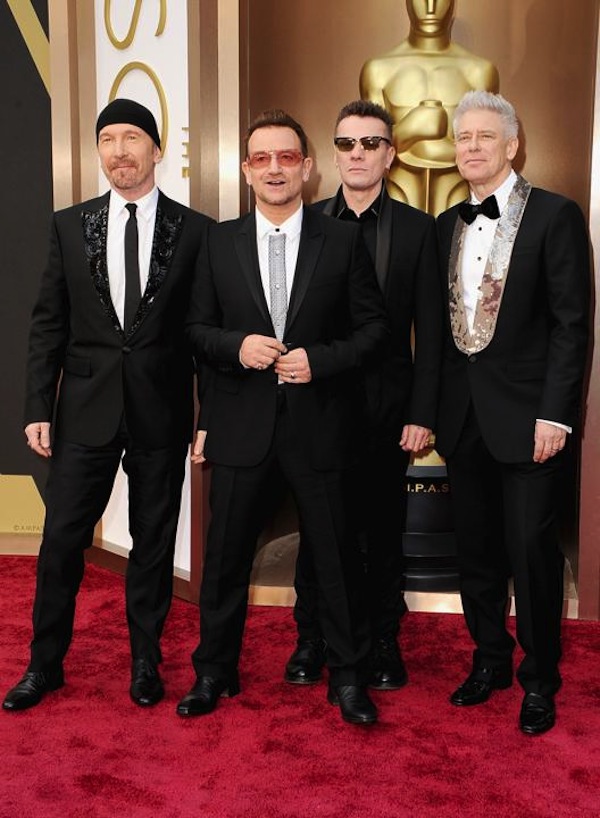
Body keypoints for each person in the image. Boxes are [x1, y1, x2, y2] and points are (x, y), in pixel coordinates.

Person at [178, 109, 388, 725]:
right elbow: (195, 329)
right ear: (246, 169)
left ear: (308, 167)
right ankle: (213, 671)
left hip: (322, 425)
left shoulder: (342, 241)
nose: (275, 168)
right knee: (225, 561)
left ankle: (347, 678)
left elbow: (374, 331)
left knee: (338, 560)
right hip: (241, 426)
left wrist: (319, 361)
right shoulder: (217, 242)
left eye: (287, 157)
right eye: (262, 158)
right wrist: (237, 347)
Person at [3, 99, 212, 712]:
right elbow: (48, 324)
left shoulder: (196, 230)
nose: (119, 151)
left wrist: (208, 418)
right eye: (108, 139)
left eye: (132, 138)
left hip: (161, 412)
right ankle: (44, 665)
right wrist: (38, 406)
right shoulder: (69, 225)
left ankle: (146, 662)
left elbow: (203, 331)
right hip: (84, 411)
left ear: (156, 148)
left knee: (153, 543)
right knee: (60, 542)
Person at [436, 91, 590, 735]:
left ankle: (540, 679)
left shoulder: (555, 215)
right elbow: (437, 332)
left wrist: (556, 415)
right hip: (463, 418)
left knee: (530, 551)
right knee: (474, 550)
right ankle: (490, 660)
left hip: (531, 422)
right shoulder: (445, 224)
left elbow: (571, 325)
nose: (471, 146)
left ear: (512, 145)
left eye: (484, 136)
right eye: (462, 137)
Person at [284, 100, 441, 692]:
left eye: (370, 143)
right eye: (347, 143)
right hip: (318, 403)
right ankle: (311, 637)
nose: (358, 154)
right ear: (333, 154)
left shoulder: (419, 230)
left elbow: (431, 333)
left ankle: (381, 640)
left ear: (390, 154)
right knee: (317, 529)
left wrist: (421, 412)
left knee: (382, 528)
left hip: (386, 410)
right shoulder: (303, 222)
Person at [360, 0, 498, 215]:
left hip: (458, 194)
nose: (430, 6)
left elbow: (487, 146)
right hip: (398, 193)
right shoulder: (378, 70)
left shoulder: (479, 72)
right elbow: (371, 147)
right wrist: (411, 128)